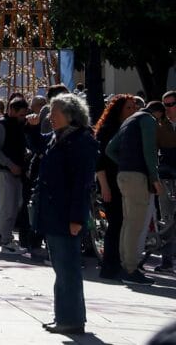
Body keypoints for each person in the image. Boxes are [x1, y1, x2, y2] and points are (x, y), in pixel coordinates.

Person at [32, 93, 97, 335]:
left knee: (67, 268)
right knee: (61, 268)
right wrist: (31, 129)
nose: (50, 117)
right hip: (54, 213)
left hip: (66, 214)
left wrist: (77, 218)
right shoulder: (60, 137)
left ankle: (71, 319)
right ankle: (65, 315)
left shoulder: (80, 141)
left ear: (70, 115)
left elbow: (82, 184)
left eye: (55, 112)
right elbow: (38, 143)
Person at [106, 100, 164, 286]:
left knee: (128, 223)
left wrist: (124, 162)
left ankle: (126, 266)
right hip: (137, 177)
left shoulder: (129, 120)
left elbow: (109, 149)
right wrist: (154, 178)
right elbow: (149, 150)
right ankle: (130, 268)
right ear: (157, 113)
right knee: (135, 224)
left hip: (123, 175)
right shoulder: (147, 120)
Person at [92, 94, 139, 279]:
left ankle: (115, 262)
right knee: (116, 223)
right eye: (128, 107)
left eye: (134, 107)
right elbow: (100, 161)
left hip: (121, 180)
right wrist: (104, 186)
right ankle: (110, 265)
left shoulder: (126, 128)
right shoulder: (108, 129)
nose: (132, 110)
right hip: (110, 181)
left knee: (121, 223)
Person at [0, 97, 30, 253]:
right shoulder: (2, 125)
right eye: (21, 114)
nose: (23, 118)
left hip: (16, 170)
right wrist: (9, 164)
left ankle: (7, 238)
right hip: (5, 171)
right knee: (8, 206)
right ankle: (5, 240)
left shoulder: (16, 125)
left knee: (16, 203)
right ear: (11, 111)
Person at [156, 91, 176, 273]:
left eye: (171, 104)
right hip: (166, 177)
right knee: (167, 218)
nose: (168, 109)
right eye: (165, 105)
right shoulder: (160, 125)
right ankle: (167, 260)